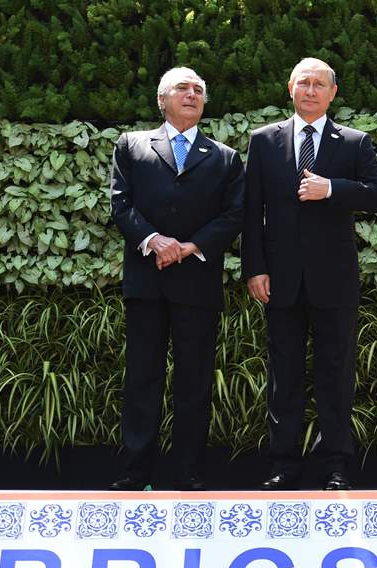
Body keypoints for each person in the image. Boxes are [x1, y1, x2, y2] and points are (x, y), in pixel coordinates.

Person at [242, 58, 377, 491]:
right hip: (280, 279)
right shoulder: (264, 141)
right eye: (303, 83)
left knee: (336, 375)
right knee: (283, 376)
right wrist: (255, 268)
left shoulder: (354, 142)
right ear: (290, 88)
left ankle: (335, 466)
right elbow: (252, 211)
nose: (310, 90)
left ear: (333, 92)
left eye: (319, 84)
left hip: (334, 279)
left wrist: (333, 190)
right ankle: (283, 465)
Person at [108, 67, 245, 491]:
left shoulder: (224, 156)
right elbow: (120, 203)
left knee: (194, 382)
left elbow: (235, 213)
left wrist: (191, 246)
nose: (192, 95)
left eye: (199, 90)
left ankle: (187, 472)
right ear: (162, 99)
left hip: (197, 283)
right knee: (142, 379)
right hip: (147, 282)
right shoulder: (131, 145)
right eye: (183, 88)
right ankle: (136, 473)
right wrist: (154, 240)